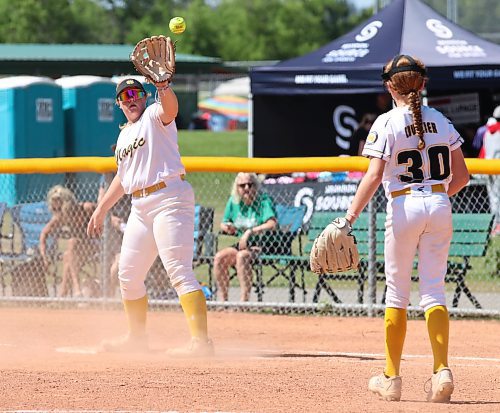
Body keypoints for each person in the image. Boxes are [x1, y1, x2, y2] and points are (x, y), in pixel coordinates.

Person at [342, 55, 469, 403]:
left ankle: (391, 378)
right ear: (423, 84)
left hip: (403, 204)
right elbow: (462, 177)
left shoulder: (386, 123)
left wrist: (348, 219)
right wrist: (435, 195)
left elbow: (372, 176)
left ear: (389, 87)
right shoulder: (441, 120)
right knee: (434, 292)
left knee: (397, 293)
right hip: (440, 204)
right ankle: (442, 370)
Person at [87, 78, 213, 356]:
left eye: (136, 93)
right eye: (125, 96)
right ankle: (136, 338)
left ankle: (201, 343)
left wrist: (164, 86)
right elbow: (123, 177)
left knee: (179, 272)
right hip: (140, 206)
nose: (131, 99)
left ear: (144, 98)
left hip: (169, 199)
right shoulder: (123, 137)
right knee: (128, 275)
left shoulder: (154, 116)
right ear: (118, 104)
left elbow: (171, 110)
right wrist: (102, 208)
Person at [213, 172, 277, 301]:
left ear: (256, 186)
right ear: (237, 188)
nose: (247, 188)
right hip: (243, 245)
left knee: (241, 256)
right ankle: (224, 301)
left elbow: (272, 223)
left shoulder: (263, 200)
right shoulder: (234, 201)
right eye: (242, 185)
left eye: (250, 184)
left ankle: (244, 301)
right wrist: (227, 227)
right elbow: (223, 223)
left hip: (264, 244)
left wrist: (250, 232)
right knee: (220, 257)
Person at [40, 185, 98, 297]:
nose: (55, 204)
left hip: (96, 243)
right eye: (54, 200)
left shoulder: (86, 208)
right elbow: (44, 234)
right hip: (77, 250)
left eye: (58, 200)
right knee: (68, 255)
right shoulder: (61, 217)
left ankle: (69, 292)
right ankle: (66, 294)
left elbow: (104, 220)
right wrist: (44, 256)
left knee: (71, 245)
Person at [480, 105, 500, 234]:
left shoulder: (487, 131)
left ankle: (495, 226)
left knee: (494, 198)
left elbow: (484, 150)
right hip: (497, 168)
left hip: (488, 167)